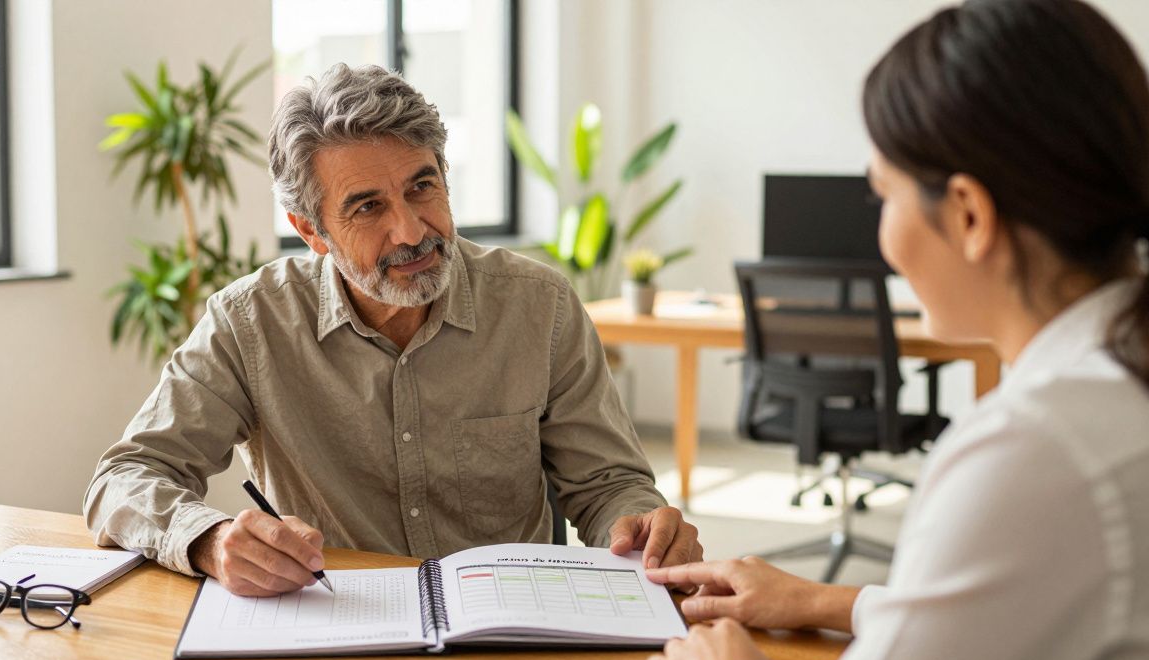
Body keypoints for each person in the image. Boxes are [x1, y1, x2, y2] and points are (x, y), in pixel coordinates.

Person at [644, 0, 1149, 660]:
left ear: (968, 215)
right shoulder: (1133, 380)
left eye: (883, 194)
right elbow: (1027, 603)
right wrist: (828, 600)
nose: (880, 228)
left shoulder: (1037, 448)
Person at [84, 64, 701, 597]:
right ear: (311, 231)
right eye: (367, 206)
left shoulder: (540, 307)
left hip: (510, 620)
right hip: (337, 622)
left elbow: (607, 484)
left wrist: (641, 525)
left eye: (422, 187)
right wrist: (210, 540)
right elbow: (124, 478)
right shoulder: (250, 324)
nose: (411, 231)